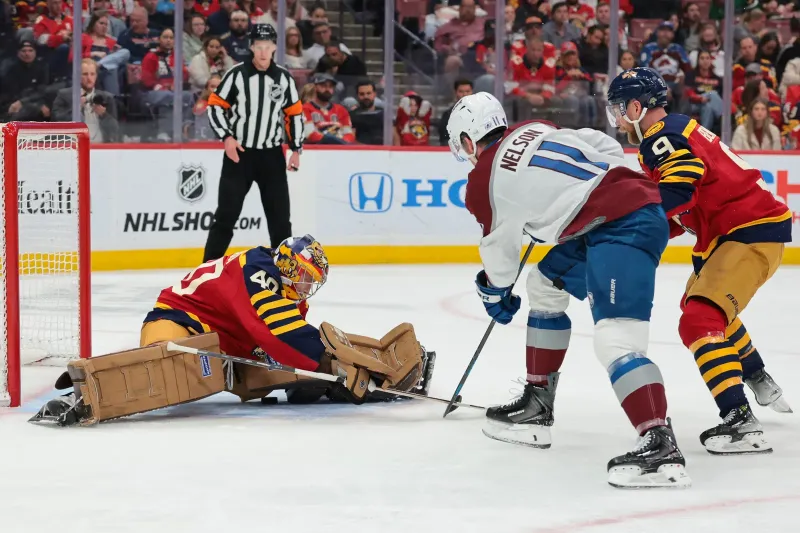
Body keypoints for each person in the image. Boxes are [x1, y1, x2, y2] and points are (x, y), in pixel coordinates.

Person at [446, 92, 691, 489]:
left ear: (470, 141)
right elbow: (603, 145)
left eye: (462, 146)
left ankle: (659, 443)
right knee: (544, 284)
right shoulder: (534, 128)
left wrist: (494, 294)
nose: (465, 155)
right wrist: (582, 188)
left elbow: (500, 261)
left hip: (622, 225)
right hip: (617, 215)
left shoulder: (482, 183)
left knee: (615, 341)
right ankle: (536, 406)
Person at [32, 236, 435, 426]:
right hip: (178, 320)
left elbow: (288, 334)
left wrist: (332, 370)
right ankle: (86, 393)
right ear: (291, 270)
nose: (309, 288)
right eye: (307, 279)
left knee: (288, 374)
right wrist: (333, 364)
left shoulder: (277, 279)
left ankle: (364, 375)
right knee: (170, 370)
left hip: (227, 341)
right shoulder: (259, 273)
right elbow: (278, 333)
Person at [607, 67, 793, 455]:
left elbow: (681, 184)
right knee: (704, 307)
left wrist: (634, 222)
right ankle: (756, 374)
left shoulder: (660, 138)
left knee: (699, 319)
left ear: (638, 107)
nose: (617, 117)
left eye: (620, 108)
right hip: (735, 232)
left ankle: (739, 419)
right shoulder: (676, 130)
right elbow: (683, 206)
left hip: (747, 231)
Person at [205, 24, 304, 261]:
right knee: (226, 216)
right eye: (258, 47)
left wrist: (295, 148)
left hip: (271, 156)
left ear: (274, 48)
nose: (262, 52)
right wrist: (226, 137)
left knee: (280, 219)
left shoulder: (283, 78)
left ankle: (285, 275)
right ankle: (205, 273)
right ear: (251, 47)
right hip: (240, 154)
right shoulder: (236, 74)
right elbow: (215, 105)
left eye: (267, 47)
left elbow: (294, 113)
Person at [52, 58, 120, 142]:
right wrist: (76, 108)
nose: (89, 78)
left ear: (96, 76)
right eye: (85, 74)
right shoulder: (64, 95)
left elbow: (115, 129)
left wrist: (104, 115)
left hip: (102, 149)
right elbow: (56, 122)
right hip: (74, 147)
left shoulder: (107, 98)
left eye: (92, 74)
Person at [302, 72, 355, 144]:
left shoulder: (341, 110)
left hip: (339, 149)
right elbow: (309, 134)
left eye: (330, 86)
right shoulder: (305, 109)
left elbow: (349, 134)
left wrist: (342, 143)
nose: (327, 89)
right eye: (323, 86)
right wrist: (333, 141)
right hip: (315, 150)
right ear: (315, 87)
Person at [684, 49, 723, 131]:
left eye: (707, 58)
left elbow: (721, 97)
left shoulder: (717, 78)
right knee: (712, 94)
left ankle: (704, 134)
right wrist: (700, 99)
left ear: (711, 60)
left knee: (707, 107)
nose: (705, 61)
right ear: (698, 60)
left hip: (708, 104)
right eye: (702, 58)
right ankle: (723, 118)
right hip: (693, 104)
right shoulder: (691, 75)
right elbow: (688, 93)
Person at [349, 79, 384, 145]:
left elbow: (393, 136)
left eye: (368, 93)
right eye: (362, 94)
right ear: (357, 96)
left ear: (374, 94)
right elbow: (350, 140)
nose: (365, 96)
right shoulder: (351, 116)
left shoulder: (383, 114)